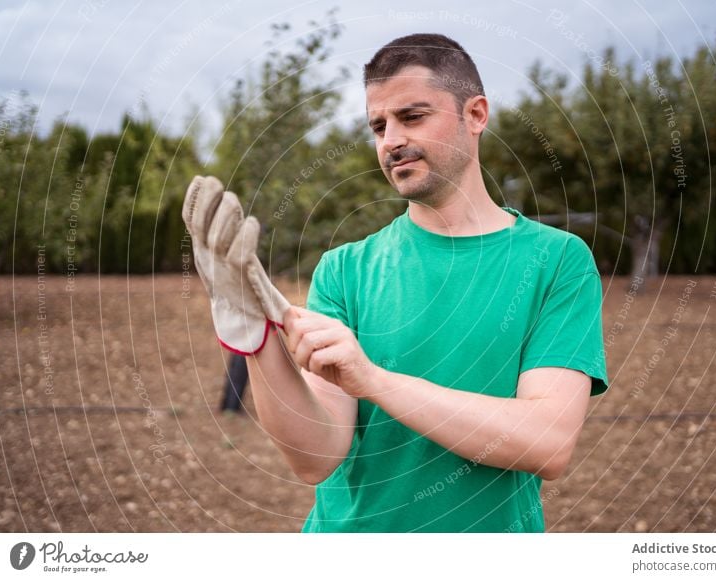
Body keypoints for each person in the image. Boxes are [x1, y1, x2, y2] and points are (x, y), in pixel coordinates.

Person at [184, 33, 608, 532]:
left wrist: (375, 381)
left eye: (412, 117)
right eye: (378, 126)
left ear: (476, 115)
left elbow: (547, 442)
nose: (391, 141)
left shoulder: (556, 261)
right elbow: (314, 457)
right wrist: (252, 337)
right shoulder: (345, 269)